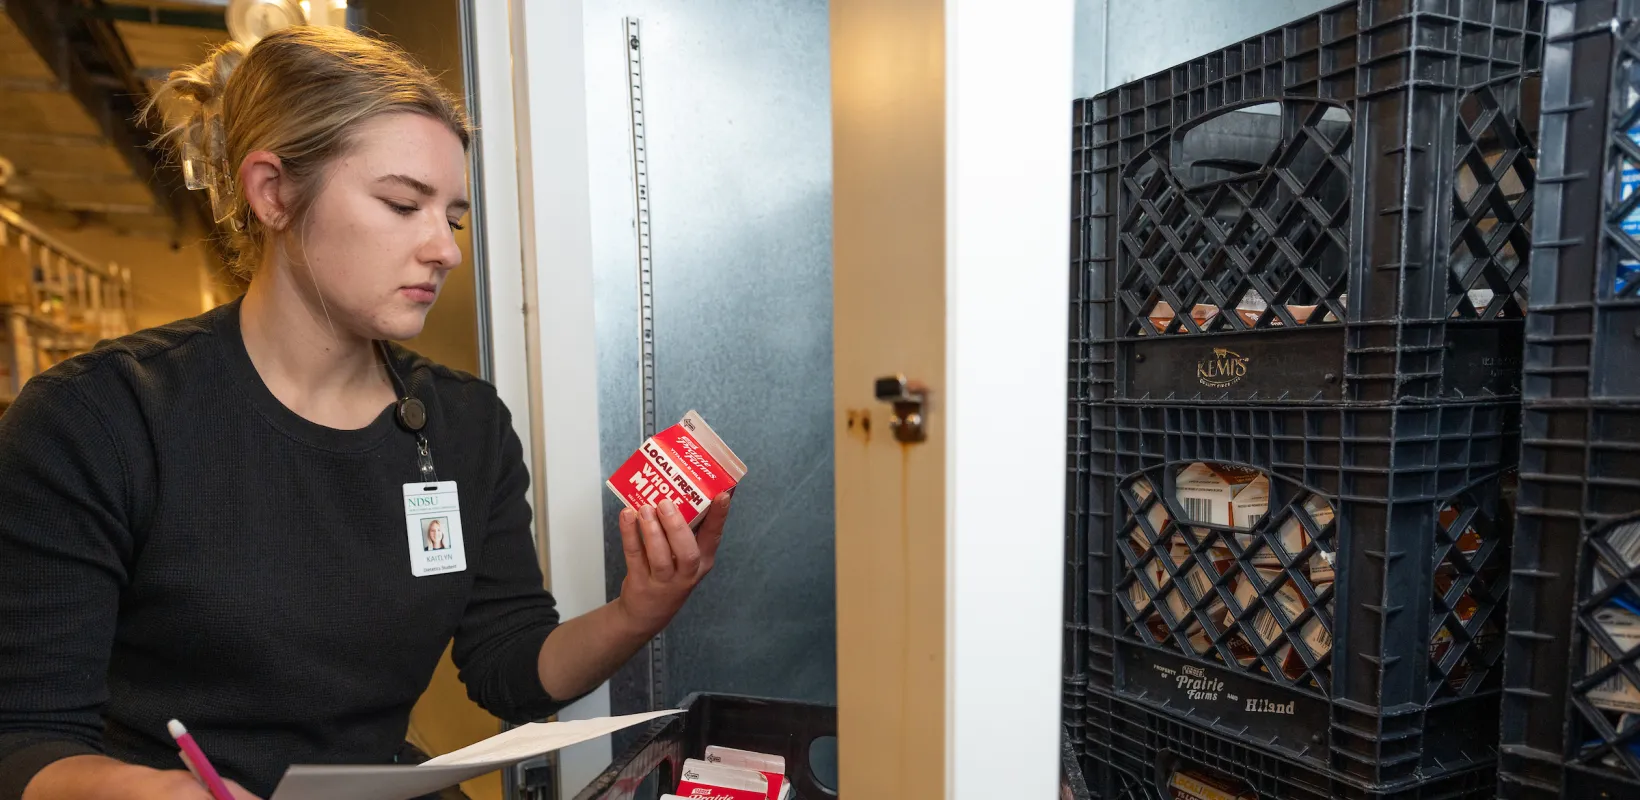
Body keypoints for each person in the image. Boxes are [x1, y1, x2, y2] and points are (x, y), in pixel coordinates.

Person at [0, 26, 732, 800]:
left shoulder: (465, 426)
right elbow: (25, 742)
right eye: (400, 203)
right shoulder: (99, 420)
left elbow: (508, 668)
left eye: (449, 217)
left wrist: (636, 611)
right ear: (273, 192)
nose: (445, 250)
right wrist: (159, 793)